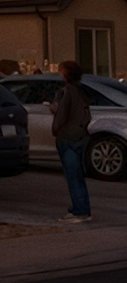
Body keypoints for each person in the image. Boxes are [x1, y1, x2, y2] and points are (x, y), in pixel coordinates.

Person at [47, 60, 93, 223]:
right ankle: (80, 207)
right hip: (80, 135)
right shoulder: (81, 92)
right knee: (77, 175)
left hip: (68, 136)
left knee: (73, 176)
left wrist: (57, 128)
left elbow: (62, 114)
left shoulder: (66, 92)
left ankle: (80, 211)